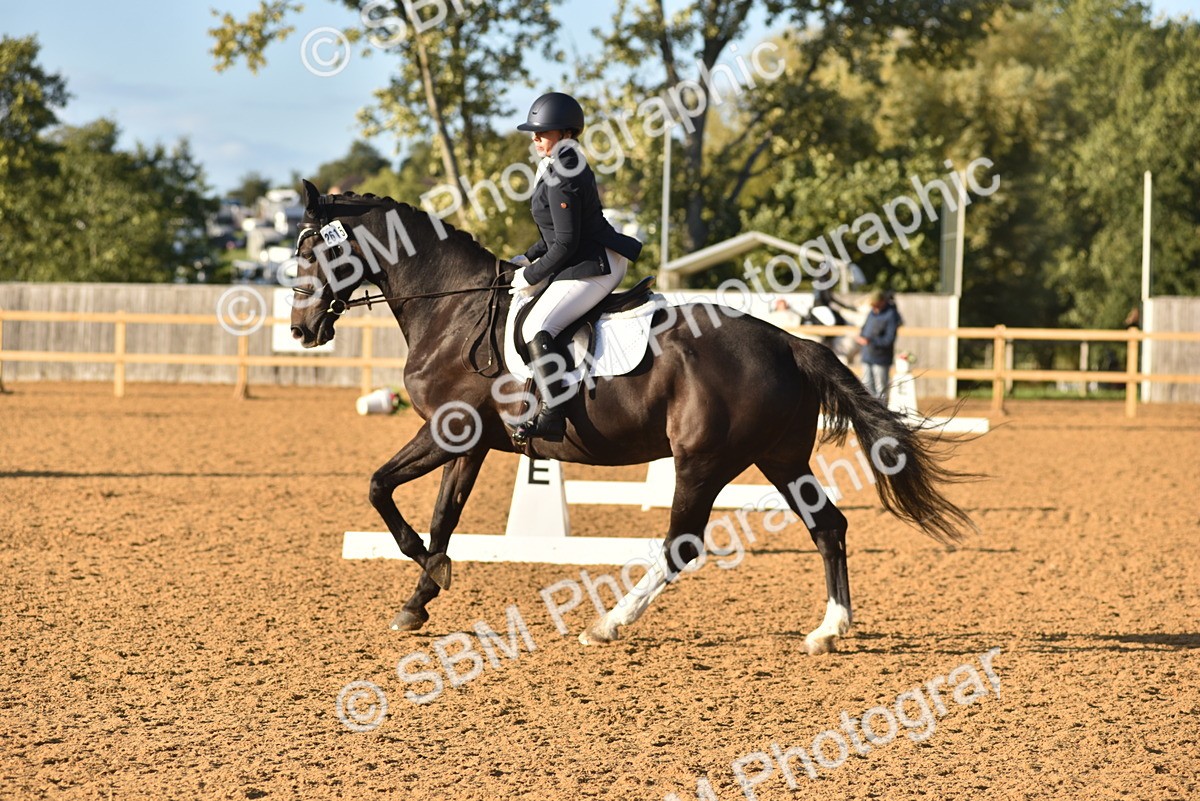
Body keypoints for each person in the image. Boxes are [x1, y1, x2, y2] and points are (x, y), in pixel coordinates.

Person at [508, 92, 643, 444]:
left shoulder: (563, 172)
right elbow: (556, 232)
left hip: (594, 265)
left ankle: (553, 413)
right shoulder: (558, 163)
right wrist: (527, 256)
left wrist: (531, 275)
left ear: (566, 132)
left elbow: (567, 243)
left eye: (542, 132)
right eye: (533, 132)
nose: (535, 138)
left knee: (539, 326)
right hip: (581, 255)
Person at [856, 290, 903, 402]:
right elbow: (864, 328)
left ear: (882, 302)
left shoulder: (891, 315)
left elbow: (889, 339)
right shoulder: (872, 313)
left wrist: (870, 341)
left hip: (881, 358)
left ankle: (882, 413)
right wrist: (861, 336)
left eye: (876, 305)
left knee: (881, 388)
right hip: (867, 355)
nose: (874, 308)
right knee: (867, 387)